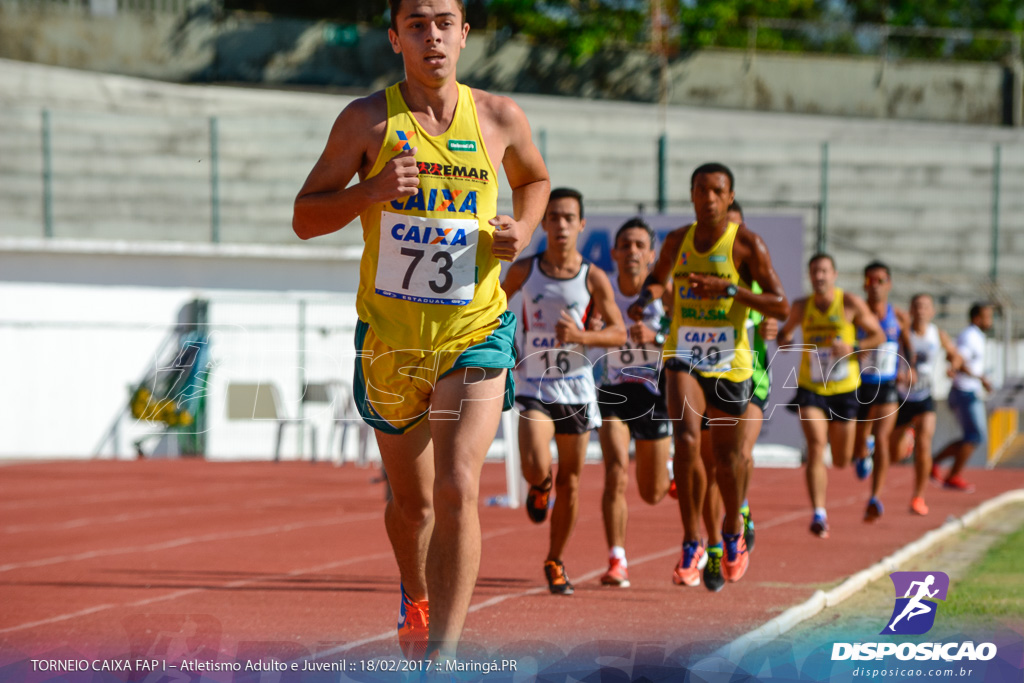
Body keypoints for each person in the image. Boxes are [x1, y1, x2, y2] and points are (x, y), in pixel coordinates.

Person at [292, 0, 550, 660]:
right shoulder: (366, 120)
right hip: (391, 339)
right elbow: (305, 216)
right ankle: (415, 588)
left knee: (459, 482)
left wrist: (521, 227)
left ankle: (443, 658)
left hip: (475, 328)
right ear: (394, 36)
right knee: (413, 507)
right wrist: (371, 191)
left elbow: (535, 179)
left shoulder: (498, 117)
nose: (431, 36)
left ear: (464, 34)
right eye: (416, 24)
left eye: (443, 22)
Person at [629, 163, 789, 589]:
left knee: (727, 460)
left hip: (730, 363)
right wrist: (646, 297)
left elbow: (781, 305)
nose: (709, 198)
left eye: (717, 191)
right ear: (692, 194)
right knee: (685, 439)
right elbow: (659, 280)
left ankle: (733, 527)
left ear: (730, 196)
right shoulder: (679, 240)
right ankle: (691, 540)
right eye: (701, 190)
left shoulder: (747, 245)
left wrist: (730, 290)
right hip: (683, 354)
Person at [502, 188, 626, 595]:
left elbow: (619, 333)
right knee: (536, 463)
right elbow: (495, 306)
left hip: (575, 387)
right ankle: (539, 486)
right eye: (553, 217)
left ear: (581, 225)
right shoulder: (525, 270)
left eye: (568, 218)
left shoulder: (592, 276)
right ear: (544, 224)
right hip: (534, 383)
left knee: (571, 481)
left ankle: (555, 559)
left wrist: (581, 335)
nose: (560, 225)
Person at [778, 253, 885, 539]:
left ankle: (862, 451)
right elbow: (783, 335)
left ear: (834, 275)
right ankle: (819, 513)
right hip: (811, 387)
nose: (819, 277)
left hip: (845, 389)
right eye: (814, 272)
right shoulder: (802, 306)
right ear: (809, 276)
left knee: (840, 459)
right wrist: (784, 340)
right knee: (815, 446)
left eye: (824, 271)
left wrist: (852, 346)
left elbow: (878, 335)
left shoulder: (849, 303)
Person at [591, 217, 672, 588]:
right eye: (626, 245)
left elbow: (692, 342)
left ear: (652, 255)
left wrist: (656, 337)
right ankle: (616, 559)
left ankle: (668, 472)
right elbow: (580, 333)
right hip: (613, 391)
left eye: (640, 246)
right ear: (614, 253)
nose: (632, 252)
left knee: (653, 493)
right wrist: (592, 334)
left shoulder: (667, 295)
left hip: (654, 395)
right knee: (615, 471)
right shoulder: (602, 292)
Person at [699, 200, 773, 591]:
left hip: (750, 378)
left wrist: (774, 323)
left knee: (739, 454)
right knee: (711, 466)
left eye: (736, 229)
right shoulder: (696, 268)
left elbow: (774, 308)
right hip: (704, 374)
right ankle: (714, 546)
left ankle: (739, 512)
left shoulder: (754, 278)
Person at [850, 261, 913, 523]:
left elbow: (907, 346)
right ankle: (863, 448)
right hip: (859, 384)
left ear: (889, 284)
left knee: (884, 438)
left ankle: (875, 497)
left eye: (880, 281)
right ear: (864, 284)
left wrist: (909, 368)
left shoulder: (898, 316)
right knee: (856, 443)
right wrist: (856, 349)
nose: (875, 286)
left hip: (886, 384)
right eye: (870, 281)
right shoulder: (855, 313)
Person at [889, 293, 962, 515]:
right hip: (902, 397)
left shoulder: (937, 334)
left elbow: (955, 355)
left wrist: (953, 367)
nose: (921, 310)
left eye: (925, 306)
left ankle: (918, 497)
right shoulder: (903, 332)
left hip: (924, 398)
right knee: (894, 454)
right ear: (911, 309)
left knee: (924, 446)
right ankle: (905, 438)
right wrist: (898, 374)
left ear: (932, 312)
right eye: (917, 306)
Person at [931, 302, 994, 492]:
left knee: (972, 436)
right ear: (977, 318)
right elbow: (958, 357)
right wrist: (977, 377)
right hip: (964, 391)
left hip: (967, 390)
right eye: (987, 317)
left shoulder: (975, 336)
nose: (990, 322)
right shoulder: (971, 336)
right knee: (976, 436)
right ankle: (950, 473)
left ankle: (936, 464)